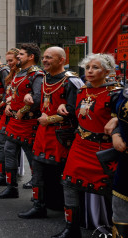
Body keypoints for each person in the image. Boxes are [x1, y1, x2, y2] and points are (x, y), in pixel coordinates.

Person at [52, 54, 122, 238]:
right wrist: (64, 108)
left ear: (107, 71)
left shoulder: (116, 93)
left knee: (109, 190)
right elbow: (78, 114)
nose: (89, 71)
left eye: (95, 67)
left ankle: (117, 231)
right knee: (69, 183)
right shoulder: (83, 90)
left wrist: (115, 122)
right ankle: (71, 228)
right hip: (80, 146)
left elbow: (123, 117)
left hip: (103, 150)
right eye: (88, 67)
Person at [17, 46, 84, 219]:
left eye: (49, 58)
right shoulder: (45, 78)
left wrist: (51, 119)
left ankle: (69, 212)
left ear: (61, 60)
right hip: (42, 132)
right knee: (38, 170)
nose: (45, 60)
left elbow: (75, 111)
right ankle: (39, 205)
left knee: (63, 175)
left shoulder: (71, 81)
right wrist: (29, 96)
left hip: (62, 136)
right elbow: (41, 98)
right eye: (44, 57)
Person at [0, 43, 44, 199]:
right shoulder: (20, 73)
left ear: (31, 57)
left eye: (21, 54)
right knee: (8, 151)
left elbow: (37, 98)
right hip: (14, 121)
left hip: (28, 123)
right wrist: (8, 103)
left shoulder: (37, 74)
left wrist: (22, 111)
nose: (18, 57)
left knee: (33, 159)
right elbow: (14, 93)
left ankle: (39, 198)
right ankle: (11, 187)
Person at [0, 48, 20, 186]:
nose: (9, 64)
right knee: (2, 145)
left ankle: (30, 182)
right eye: (7, 61)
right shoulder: (11, 73)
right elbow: (7, 92)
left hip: (20, 117)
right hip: (7, 115)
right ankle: (4, 177)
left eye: (11, 60)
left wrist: (3, 104)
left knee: (28, 152)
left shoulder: (30, 75)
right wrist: (2, 98)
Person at [111, 78, 128, 238]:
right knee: (120, 210)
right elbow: (121, 116)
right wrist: (116, 133)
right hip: (125, 162)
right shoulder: (126, 89)